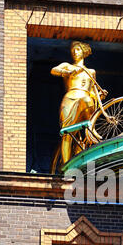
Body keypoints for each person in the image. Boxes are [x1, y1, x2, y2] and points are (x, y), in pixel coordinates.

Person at [50, 41, 107, 169]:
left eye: (78, 50)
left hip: (85, 98)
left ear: (83, 52)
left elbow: (93, 92)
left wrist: (100, 96)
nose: (75, 52)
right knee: (66, 133)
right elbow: (54, 70)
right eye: (73, 50)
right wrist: (69, 72)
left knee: (87, 100)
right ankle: (66, 166)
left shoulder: (90, 72)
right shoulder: (68, 66)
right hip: (70, 98)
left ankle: (90, 132)